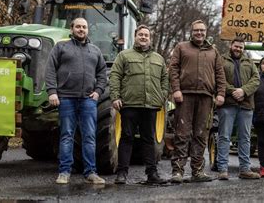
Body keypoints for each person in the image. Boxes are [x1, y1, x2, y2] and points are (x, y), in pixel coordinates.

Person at [45, 17, 107, 184]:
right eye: (78, 27)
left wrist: (98, 92)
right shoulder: (61, 47)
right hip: (66, 98)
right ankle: (64, 172)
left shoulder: (95, 50)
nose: (81, 29)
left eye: (84, 27)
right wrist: (52, 92)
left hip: (88, 100)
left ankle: (91, 172)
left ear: (88, 30)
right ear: (71, 29)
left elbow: (102, 74)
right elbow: (50, 69)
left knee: (89, 136)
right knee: (66, 135)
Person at [109, 25, 169, 185]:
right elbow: (115, 75)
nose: (143, 37)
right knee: (126, 137)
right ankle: (121, 173)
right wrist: (115, 96)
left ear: (150, 38)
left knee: (149, 139)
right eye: (140, 35)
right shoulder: (124, 55)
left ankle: (152, 174)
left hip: (150, 106)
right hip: (129, 104)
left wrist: (162, 95)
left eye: (146, 35)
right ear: (135, 37)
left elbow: (165, 79)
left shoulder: (158, 58)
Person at [169, 19, 226, 183]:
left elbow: (220, 74)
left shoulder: (213, 51)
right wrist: (176, 90)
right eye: (196, 31)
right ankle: (178, 171)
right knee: (182, 134)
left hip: (206, 97)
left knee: (201, 134)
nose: (199, 33)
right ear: (191, 32)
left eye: (202, 30)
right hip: (185, 96)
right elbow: (173, 69)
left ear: (206, 32)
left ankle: (197, 171)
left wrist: (220, 93)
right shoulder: (181, 47)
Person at [216, 37, 260, 180]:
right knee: (224, 136)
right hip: (227, 104)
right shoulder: (221, 60)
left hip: (246, 105)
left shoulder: (249, 62)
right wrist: (233, 91)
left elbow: (256, 79)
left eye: (241, 47)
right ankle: (222, 169)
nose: (238, 49)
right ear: (231, 45)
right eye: (236, 46)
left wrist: (243, 91)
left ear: (243, 48)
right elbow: (218, 79)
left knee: (245, 138)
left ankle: (245, 169)